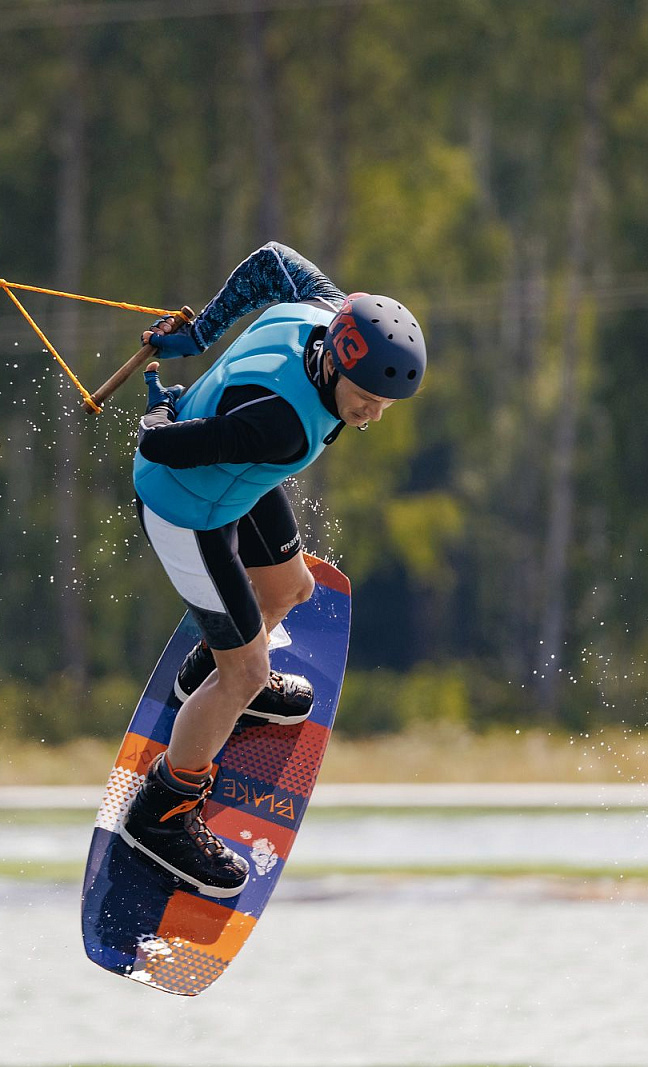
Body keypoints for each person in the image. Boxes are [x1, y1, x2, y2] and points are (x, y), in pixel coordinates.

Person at [118, 242, 428, 897]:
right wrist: (157, 414)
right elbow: (165, 446)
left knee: (291, 588)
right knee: (250, 670)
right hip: (187, 510)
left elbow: (271, 261)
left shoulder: (320, 309)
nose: (371, 417)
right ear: (342, 360)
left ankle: (212, 672)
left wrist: (199, 333)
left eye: (383, 407)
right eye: (367, 400)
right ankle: (164, 811)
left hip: (239, 481)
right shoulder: (283, 426)